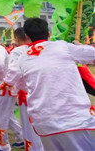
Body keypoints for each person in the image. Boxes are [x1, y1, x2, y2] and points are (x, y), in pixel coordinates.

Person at [6, 18, 95, 151]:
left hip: (43, 121)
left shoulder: (22, 59)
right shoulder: (62, 46)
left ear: (27, 36)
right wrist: (79, 46)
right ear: (48, 33)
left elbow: (21, 85)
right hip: (72, 118)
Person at [3, 28, 43, 151]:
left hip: (26, 94)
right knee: (40, 126)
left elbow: (14, 71)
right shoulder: (43, 49)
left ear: (18, 39)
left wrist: (6, 83)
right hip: (41, 93)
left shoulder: (18, 51)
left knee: (29, 127)